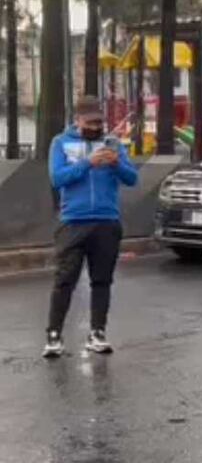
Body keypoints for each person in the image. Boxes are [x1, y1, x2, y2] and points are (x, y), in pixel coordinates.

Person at [44, 95, 139, 358]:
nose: (96, 127)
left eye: (100, 122)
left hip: (106, 221)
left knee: (102, 280)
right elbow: (57, 178)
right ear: (78, 120)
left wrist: (116, 163)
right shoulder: (61, 143)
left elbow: (132, 179)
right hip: (73, 221)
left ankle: (97, 332)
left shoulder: (113, 143)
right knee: (65, 279)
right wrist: (88, 163)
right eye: (91, 122)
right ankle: (54, 335)